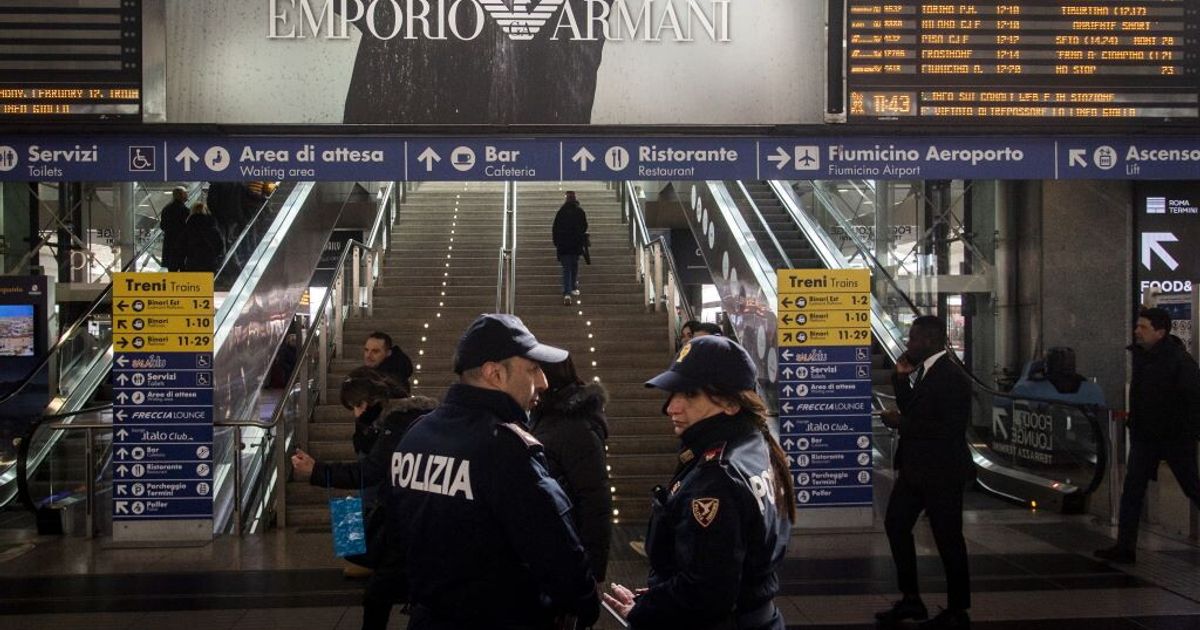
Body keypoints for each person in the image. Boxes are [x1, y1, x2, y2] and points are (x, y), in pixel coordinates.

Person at [382, 313, 599, 629]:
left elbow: (395, 536)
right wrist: (584, 605)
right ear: (494, 373)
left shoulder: (415, 435)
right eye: (533, 369)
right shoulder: (504, 448)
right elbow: (556, 552)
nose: (544, 383)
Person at [604, 335, 795, 630]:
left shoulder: (717, 478)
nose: (671, 408)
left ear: (732, 403)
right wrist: (660, 597)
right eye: (673, 393)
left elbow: (707, 592)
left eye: (690, 394)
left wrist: (645, 610)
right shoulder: (758, 446)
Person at [291, 369, 437, 629]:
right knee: (384, 587)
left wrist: (316, 470)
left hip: (409, 518)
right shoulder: (397, 418)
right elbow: (367, 452)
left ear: (368, 402)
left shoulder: (398, 422)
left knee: (378, 593)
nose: (355, 415)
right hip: (411, 513)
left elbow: (369, 470)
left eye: (356, 407)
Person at [876, 316, 972, 629]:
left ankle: (958, 610)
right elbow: (915, 411)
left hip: (942, 470)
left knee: (948, 539)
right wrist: (900, 380)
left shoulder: (951, 376)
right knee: (896, 524)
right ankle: (911, 599)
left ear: (930, 341)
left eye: (914, 338)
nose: (908, 343)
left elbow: (949, 429)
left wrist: (901, 423)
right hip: (916, 469)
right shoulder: (925, 373)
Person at [1095, 308, 1200, 564]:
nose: (1136, 331)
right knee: (1132, 492)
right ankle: (1125, 547)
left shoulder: (1179, 362)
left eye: (1143, 327)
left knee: (1193, 488)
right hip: (1146, 438)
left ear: (1160, 332)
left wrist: (1189, 432)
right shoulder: (1145, 358)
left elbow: (1194, 400)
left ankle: (1124, 547)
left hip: (1174, 438)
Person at [529, 356, 612, 585]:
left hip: (567, 547)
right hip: (552, 545)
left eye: (535, 370)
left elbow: (595, 500)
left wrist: (592, 572)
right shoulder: (543, 415)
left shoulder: (575, 427)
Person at [553, 191, 589, 305]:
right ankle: (573, 287)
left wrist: (557, 243)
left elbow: (555, 229)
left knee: (566, 269)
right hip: (575, 245)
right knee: (574, 266)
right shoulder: (580, 211)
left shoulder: (561, 212)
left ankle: (567, 292)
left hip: (563, 246)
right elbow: (584, 226)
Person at [182, 202, 225, 273]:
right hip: (209, 262)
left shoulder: (188, 227)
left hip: (192, 263)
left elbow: (181, 245)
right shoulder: (211, 225)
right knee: (207, 283)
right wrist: (214, 255)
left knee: (193, 283)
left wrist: (189, 254)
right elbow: (219, 244)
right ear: (206, 211)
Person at [160, 186, 190, 272]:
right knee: (184, 270)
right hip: (182, 245)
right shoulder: (185, 210)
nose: (187, 195)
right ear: (181, 196)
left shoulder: (166, 209)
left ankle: (173, 285)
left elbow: (163, 226)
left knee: (172, 270)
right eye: (185, 193)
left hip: (170, 243)